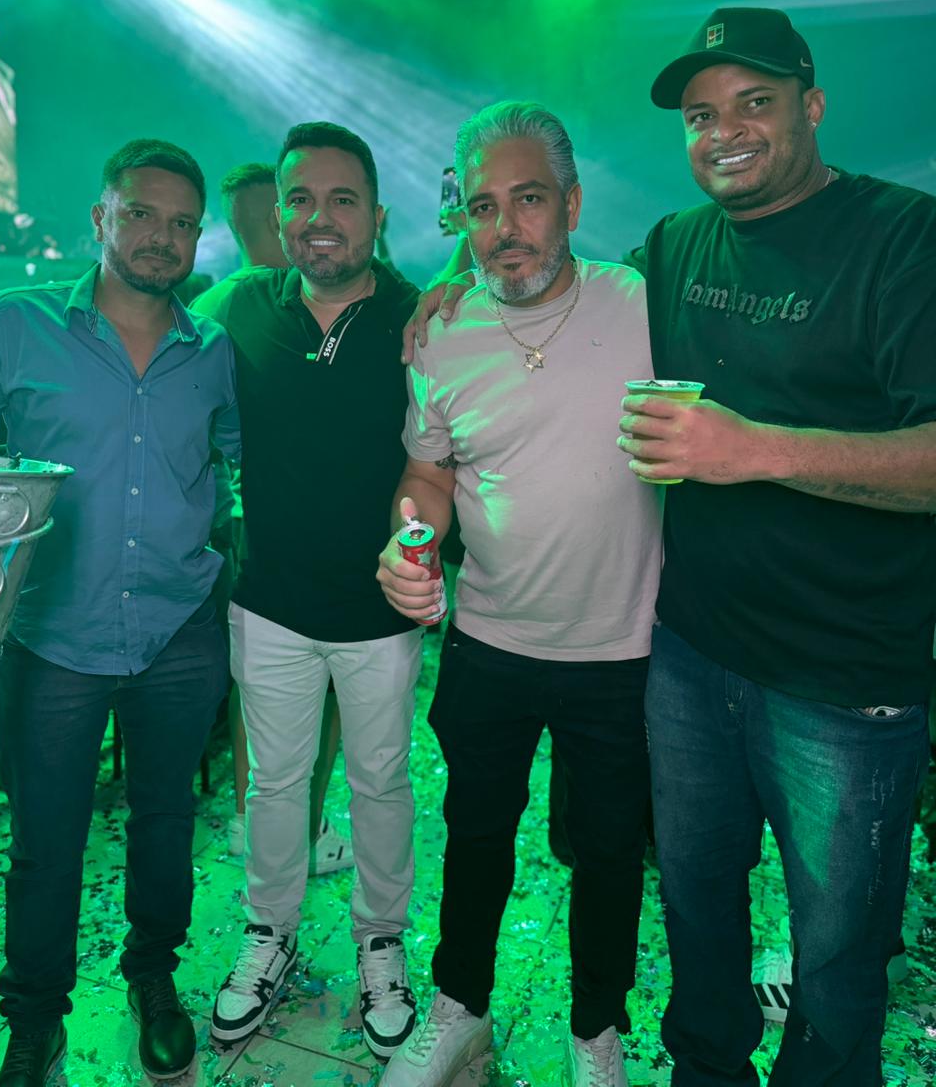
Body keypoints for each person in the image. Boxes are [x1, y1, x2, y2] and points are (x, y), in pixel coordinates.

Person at [617, 7, 936, 1086]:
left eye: (754, 102)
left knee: (839, 953)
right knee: (696, 904)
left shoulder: (903, 238)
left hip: (842, 682)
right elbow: (571, 312)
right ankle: (707, 1069)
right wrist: (453, 286)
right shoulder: (675, 244)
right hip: (690, 653)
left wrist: (752, 448)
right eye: (701, 114)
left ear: (814, 105)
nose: (725, 131)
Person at [376, 101, 662, 1087]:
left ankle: (597, 1031)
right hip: (491, 643)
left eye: (529, 199)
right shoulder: (442, 332)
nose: (506, 227)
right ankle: (460, 1009)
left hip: (621, 650)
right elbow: (430, 473)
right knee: (475, 837)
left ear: (571, 204)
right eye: (483, 207)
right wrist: (411, 541)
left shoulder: (640, 303)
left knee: (610, 853)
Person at [0, 139, 241, 1087]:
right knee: (46, 842)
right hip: (54, 633)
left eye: (181, 223)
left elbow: (241, 461)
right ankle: (35, 1019)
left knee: (167, 819)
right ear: (101, 217)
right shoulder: (12, 326)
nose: (161, 237)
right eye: (141, 214)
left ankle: (153, 979)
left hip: (179, 627)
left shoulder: (212, 351)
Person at [192, 122, 423, 1061]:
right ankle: (270, 933)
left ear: (376, 215)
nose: (319, 217)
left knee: (381, 783)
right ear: (278, 214)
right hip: (271, 604)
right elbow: (157, 333)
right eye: (300, 199)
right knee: (276, 784)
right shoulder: (241, 303)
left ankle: (381, 944)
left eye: (341, 199)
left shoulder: (422, 314)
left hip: (378, 610)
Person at [207, 163, 352, 874]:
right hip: (298, 529)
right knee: (320, 687)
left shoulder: (217, 300)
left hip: (242, 528)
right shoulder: (277, 300)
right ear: (277, 216)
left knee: (258, 686)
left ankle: (251, 818)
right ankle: (305, 827)